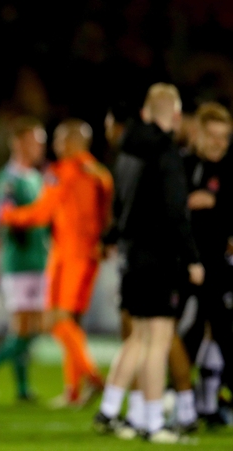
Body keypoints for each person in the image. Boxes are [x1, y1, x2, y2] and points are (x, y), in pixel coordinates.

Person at [93, 83, 204, 443]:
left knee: (139, 337)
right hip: (159, 257)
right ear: (175, 116)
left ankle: (121, 410)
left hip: (132, 255)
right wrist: (192, 257)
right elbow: (177, 212)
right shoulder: (166, 153)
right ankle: (153, 422)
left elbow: (122, 206)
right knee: (158, 338)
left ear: (143, 114)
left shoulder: (126, 152)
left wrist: (111, 239)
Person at [0, 118, 113, 407]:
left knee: (55, 320)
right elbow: (109, 211)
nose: (56, 146)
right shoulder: (100, 173)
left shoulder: (63, 171)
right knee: (71, 323)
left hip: (67, 255)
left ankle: (94, 377)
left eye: (61, 140)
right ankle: (73, 391)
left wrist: (10, 216)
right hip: (91, 255)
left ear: (74, 142)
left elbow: (42, 212)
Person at [0, 116, 48, 402]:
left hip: (39, 259)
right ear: (19, 143)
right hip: (17, 261)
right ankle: (16, 383)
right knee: (22, 326)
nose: (39, 147)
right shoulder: (7, 179)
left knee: (38, 326)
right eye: (35, 141)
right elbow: (2, 215)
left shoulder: (35, 177)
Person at [177, 101, 233, 427]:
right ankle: (181, 397)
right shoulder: (181, 166)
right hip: (182, 263)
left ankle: (204, 402)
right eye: (213, 136)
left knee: (221, 332)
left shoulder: (229, 170)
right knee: (181, 334)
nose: (219, 144)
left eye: (224, 138)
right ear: (198, 133)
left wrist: (216, 202)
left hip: (216, 265)